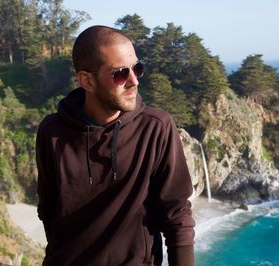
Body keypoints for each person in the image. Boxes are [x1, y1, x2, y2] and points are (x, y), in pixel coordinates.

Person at [36, 25, 195, 266]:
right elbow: (49, 209)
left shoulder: (156, 127)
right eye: (120, 74)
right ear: (86, 81)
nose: (134, 82)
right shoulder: (52, 132)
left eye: (137, 69)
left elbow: (177, 214)